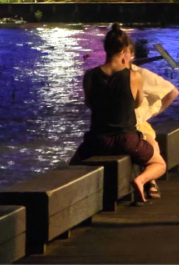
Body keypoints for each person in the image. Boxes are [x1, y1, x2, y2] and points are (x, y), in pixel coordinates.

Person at [71, 24, 166, 202]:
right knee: (159, 163)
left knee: (71, 167)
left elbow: (89, 103)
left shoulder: (90, 75)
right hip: (127, 139)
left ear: (106, 48)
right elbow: (137, 103)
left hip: (98, 140)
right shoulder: (133, 76)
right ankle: (141, 180)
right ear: (124, 50)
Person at [131, 63, 179, 199]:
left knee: (152, 144)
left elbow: (172, 91)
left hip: (134, 125)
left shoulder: (138, 74)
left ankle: (150, 181)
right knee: (152, 146)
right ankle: (150, 181)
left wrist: (151, 113)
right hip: (134, 126)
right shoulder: (135, 73)